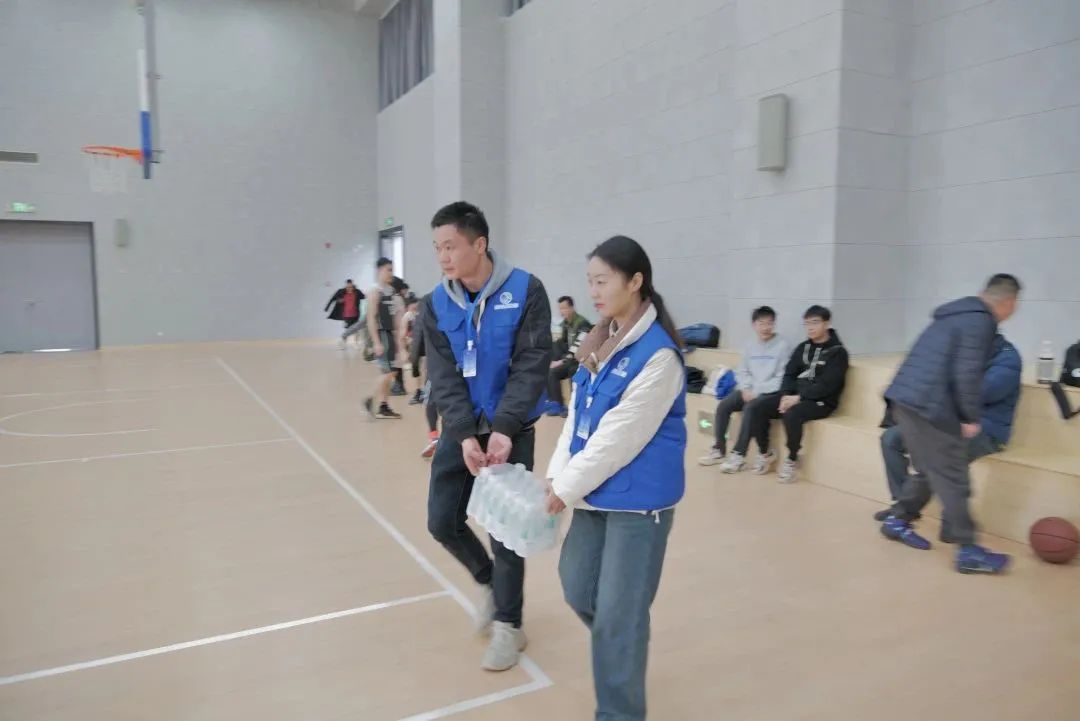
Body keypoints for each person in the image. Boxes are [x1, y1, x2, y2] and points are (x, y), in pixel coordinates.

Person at [545, 235, 686, 721]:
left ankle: (619, 707)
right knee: (578, 589)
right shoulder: (598, 340)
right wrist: (555, 476)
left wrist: (565, 489)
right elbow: (576, 417)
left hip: (638, 507)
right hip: (594, 494)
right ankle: (621, 646)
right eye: (590, 281)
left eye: (602, 281)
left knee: (619, 617)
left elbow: (617, 439)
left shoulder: (659, 356)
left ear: (635, 281)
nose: (594, 292)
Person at [422, 201, 552, 671]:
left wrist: (504, 429)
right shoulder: (435, 303)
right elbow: (443, 375)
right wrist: (461, 433)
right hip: (462, 432)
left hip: (510, 431)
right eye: (437, 248)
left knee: (506, 532)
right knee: (442, 521)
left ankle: (509, 626)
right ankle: (489, 583)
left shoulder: (526, 290)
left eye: (451, 246)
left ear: (479, 244)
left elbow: (531, 365)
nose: (443, 257)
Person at [879, 274, 1022, 575]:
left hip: (907, 400)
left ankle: (897, 519)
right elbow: (966, 374)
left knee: (929, 469)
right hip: (929, 406)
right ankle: (968, 550)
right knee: (953, 474)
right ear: (1008, 302)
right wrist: (969, 417)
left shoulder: (954, 315)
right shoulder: (981, 322)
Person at [740, 305, 848, 483]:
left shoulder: (838, 352)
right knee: (756, 406)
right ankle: (765, 452)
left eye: (815, 323)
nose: (810, 328)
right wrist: (784, 395)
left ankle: (792, 459)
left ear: (827, 323)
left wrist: (798, 398)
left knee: (792, 414)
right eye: (807, 324)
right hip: (795, 396)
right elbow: (789, 374)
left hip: (822, 401)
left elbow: (828, 385)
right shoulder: (803, 347)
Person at [698, 305, 790, 474]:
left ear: (774, 324)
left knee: (751, 408)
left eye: (770, 323)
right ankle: (719, 449)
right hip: (749, 390)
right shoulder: (749, 345)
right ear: (754, 325)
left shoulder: (782, 346)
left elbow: (781, 378)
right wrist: (746, 388)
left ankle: (738, 455)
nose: (766, 327)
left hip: (770, 393)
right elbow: (742, 371)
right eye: (761, 323)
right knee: (724, 405)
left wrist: (757, 391)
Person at [363, 258, 403, 420]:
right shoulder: (375, 291)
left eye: (392, 270)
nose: (391, 273)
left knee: (392, 371)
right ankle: (370, 400)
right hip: (382, 335)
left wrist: (399, 339)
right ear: (380, 271)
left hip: (390, 334)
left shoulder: (391, 291)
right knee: (389, 371)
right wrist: (376, 342)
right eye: (388, 270)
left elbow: (395, 316)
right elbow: (371, 318)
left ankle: (383, 406)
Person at [545, 296, 593, 417]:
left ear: (572, 308)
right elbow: (560, 344)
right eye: (560, 309)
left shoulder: (582, 323)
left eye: (564, 308)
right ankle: (557, 404)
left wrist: (561, 361)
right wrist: (552, 361)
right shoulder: (565, 324)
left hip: (581, 361)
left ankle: (573, 407)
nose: (562, 312)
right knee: (551, 372)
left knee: (573, 371)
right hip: (570, 360)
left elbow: (578, 346)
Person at [409, 299, 442, 459]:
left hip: (435, 366)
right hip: (461, 364)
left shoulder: (427, 307)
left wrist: (414, 365)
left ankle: (434, 436)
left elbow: (417, 339)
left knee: (430, 400)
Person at [325, 279, 365, 350]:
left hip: (355, 315)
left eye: (350, 287)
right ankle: (344, 344)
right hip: (346, 315)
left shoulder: (357, 293)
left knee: (356, 329)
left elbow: (364, 296)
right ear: (346, 287)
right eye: (347, 287)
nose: (349, 288)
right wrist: (328, 307)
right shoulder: (343, 293)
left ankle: (356, 344)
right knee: (347, 330)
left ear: (353, 286)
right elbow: (333, 299)